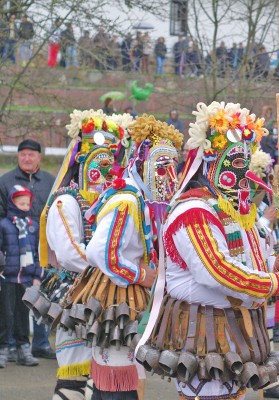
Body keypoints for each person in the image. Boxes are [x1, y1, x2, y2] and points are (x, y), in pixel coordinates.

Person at [135, 101, 279, 399]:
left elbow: (248, 260)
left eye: (246, 164)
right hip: (203, 333)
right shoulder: (194, 211)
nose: (245, 174)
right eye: (236, 163)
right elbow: (216, 270)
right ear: (212, 161)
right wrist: (276, 283)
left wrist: (272, 266)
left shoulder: (236, 209)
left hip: (236, 331)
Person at [62, 114, 181, 399]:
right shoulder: (127, 200)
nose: (171, 177)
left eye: (174, 167)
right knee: (118, 382)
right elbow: (99, 252)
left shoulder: (140, 199)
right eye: (163, 167)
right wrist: (143, 275)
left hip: (126, 297)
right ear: (142, 163)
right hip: (116, 301)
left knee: (117, 381)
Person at [37, 110, 131, 399]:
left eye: (110, 164)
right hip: (75, 299)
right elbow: (69, 254)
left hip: (105, 298)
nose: (105, 171)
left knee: (100, 379)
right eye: (99, 163)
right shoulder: (66, 201)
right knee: (74, 378)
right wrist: (114, 269)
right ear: (81, 160)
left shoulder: (112, 202)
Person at [0, 139, 55, 360]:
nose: (27, 158)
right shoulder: (5, 182)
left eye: (31, 155)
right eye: (23, 154)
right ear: (18, 156)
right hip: (15, 251)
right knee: (14, 300)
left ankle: (41, 343)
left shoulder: (50, 182)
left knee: (42, 296)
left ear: (39, 157)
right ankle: (13, 344)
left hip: (42, 250)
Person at [0, 185, 41, 369]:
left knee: (23, 314)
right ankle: (4, 348)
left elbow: (38, 253)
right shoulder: (4, 225)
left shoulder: (33, 227)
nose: (25, 206)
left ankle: (23, 348)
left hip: (26, 278)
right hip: (7, 278)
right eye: (20, 203)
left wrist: (37, 276)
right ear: (12, 203)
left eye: (27, 203)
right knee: (5, 314)